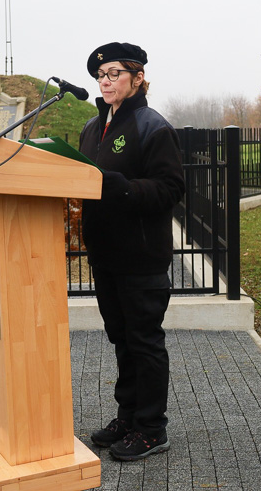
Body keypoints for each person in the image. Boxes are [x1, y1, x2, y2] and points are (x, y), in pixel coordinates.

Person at [78, 42, 185, 461]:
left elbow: (171, 189)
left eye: (113, 74)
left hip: (141, 257)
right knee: (122, 340)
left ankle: (152, 428)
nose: (105, 82)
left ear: (137, 78)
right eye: (101, 75)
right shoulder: (93, 127)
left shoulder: (152, 126)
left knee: (144, 342)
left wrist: (120, 186)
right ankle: (128, 416)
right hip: (106, 255)